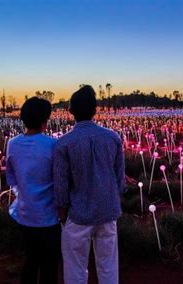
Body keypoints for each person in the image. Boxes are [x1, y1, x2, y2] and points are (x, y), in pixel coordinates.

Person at [53, 85, 125, 284]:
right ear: (95, 110)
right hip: (108, 211)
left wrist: (62, 211)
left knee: (75, 267)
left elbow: (61, 185)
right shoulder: (113, 138)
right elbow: (119, 179)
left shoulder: (64, 143)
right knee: (108, 265)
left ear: (71, 111)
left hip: (78, 214)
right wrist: (113, 199)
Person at [6, 97, 61, 284]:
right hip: (49, 217)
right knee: (49, 266)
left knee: (30, 261)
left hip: (24, 215)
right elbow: (59, 179)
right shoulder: (53, 145)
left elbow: (11, 178)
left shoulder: (12, 144)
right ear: (46, 119)